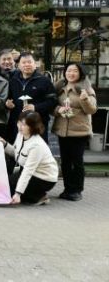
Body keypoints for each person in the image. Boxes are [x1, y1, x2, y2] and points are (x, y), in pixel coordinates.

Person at [51, 63, 97, 201]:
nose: (71, 73)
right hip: (62, 130)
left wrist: (85, 99)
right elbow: (52, 105)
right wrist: (58, 110)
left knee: (77, 162)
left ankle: (77, 190)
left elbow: (91, 110)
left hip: (79, 131)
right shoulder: (60, 87)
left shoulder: (86, 88)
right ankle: (67, 189)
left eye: (75, 71)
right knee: (65, 162)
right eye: (69, 70)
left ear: (80, 73)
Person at [0, 112, 59, 205]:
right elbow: (16, 153)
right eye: (19, 123)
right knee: (4, 183)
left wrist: (18, 194)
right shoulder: (20, 135)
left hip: (44, 178)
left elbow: (28, 171)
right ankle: (32, 193)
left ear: (33, 127)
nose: (20, 126)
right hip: (28, 171)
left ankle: (38, 196)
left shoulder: (36, 145)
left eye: (24, 125)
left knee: (9, 190)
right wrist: (4, 144)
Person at [5, 52, 56, 143]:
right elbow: (9, 98)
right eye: (24, 62)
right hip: (17, 124)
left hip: (37, 124)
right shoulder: (13, 80)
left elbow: (53, 101)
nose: (27, 65)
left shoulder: (44, 81)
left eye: (29, 62)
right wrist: (8, 103)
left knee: (37, 149)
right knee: (17, 148)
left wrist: (35, 107)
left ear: (35, 64)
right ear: (18, 65)